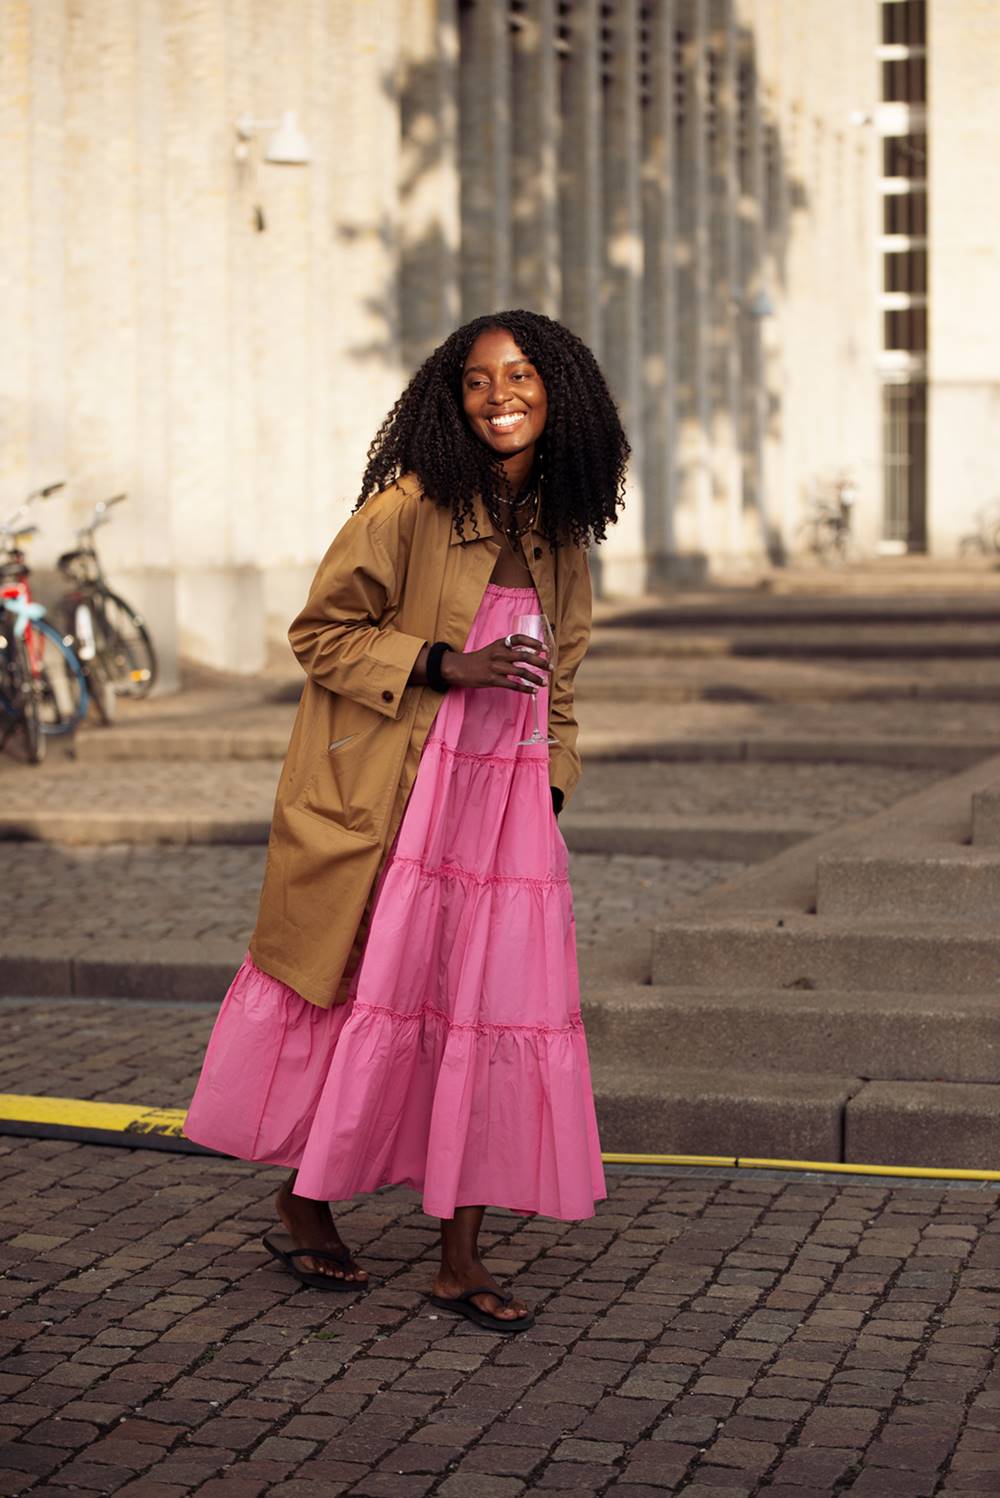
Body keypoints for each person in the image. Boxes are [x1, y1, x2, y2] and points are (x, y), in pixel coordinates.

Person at [183, 309, 630, 1333]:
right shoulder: (411, 504)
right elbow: (321, 631)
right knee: (373, 985)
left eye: (518, 375)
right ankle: (305, 1197)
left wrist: (548, 789)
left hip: (505, 813)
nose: (498, 395)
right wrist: (443, 661)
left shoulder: (561, 529)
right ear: (450, 397)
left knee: (489, 1005)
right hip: (399, 791)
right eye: (476, 381)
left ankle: (458, 1256)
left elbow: (563, 677)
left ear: (559, 390)